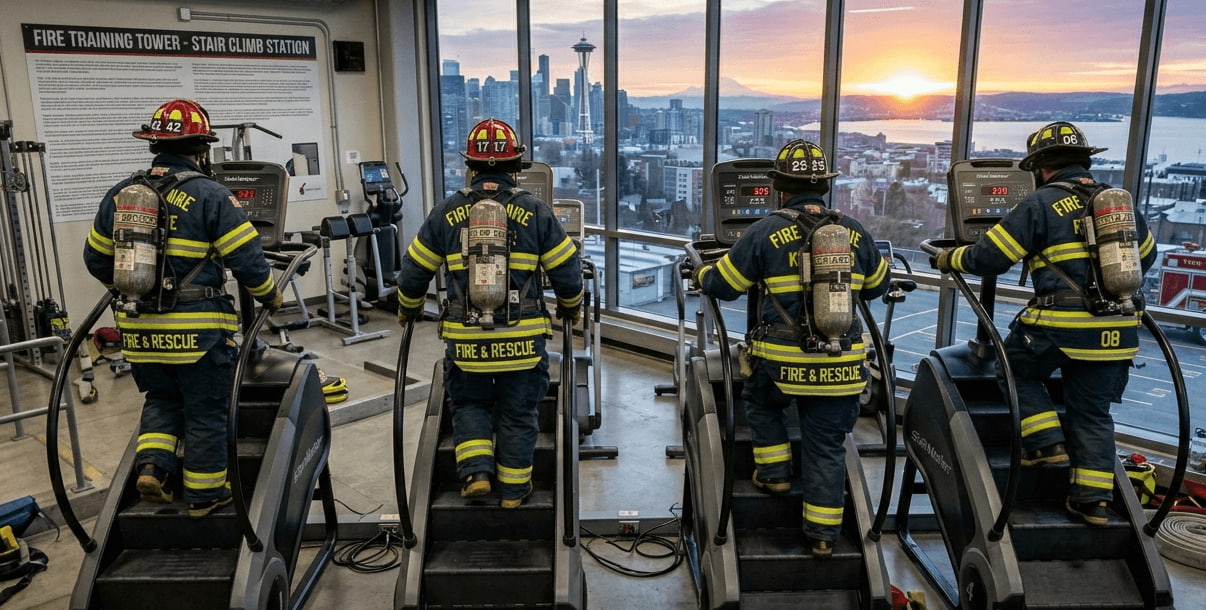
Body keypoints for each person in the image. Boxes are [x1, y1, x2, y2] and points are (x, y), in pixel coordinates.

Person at [932, 121, 1157, 526]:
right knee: (1093, 413)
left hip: (1060, 324)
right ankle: (1092, 502)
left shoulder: (1041, 203)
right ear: (1085, 161)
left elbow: (990, 257)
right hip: (1118, 331)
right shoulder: (1116, 204)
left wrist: (948, 259)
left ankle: (1044, 442)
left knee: (1012, 364)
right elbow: (1147, 258)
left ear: (1040, 168)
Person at [84, 99, 283, 518]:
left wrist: (128, 291)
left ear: (154, 144)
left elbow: (96, 258)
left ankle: (154, 469)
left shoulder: (122, 194)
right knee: (205, 409)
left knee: (161, 398)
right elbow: (246, 260)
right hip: (198, 334)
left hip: (138, 332)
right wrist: (271, 295)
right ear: (201, 148)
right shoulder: (211, 194)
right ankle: (205, 495)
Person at [695, 140, 890, 556]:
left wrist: (702, 273)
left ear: (779, 189)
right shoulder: (853, 231)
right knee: (827, 445)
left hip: (782, 364)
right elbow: (879, 286)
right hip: (841, 365)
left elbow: (724, 285)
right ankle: (823, 536)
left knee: (761, 403)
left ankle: (775, 472)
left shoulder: (764, 230)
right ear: (825, 187)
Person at [395, 118, 582, 508]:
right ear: (516, 167)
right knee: (518, 412)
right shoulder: (537, 211)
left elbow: (413, 273)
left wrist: (408, 308)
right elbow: (568, 270)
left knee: (470, 404)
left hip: (466, 343)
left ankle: (477, 474)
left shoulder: (445, 212)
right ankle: (514, 490)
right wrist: (570, 306)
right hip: (522, 342)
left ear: (471, 166)